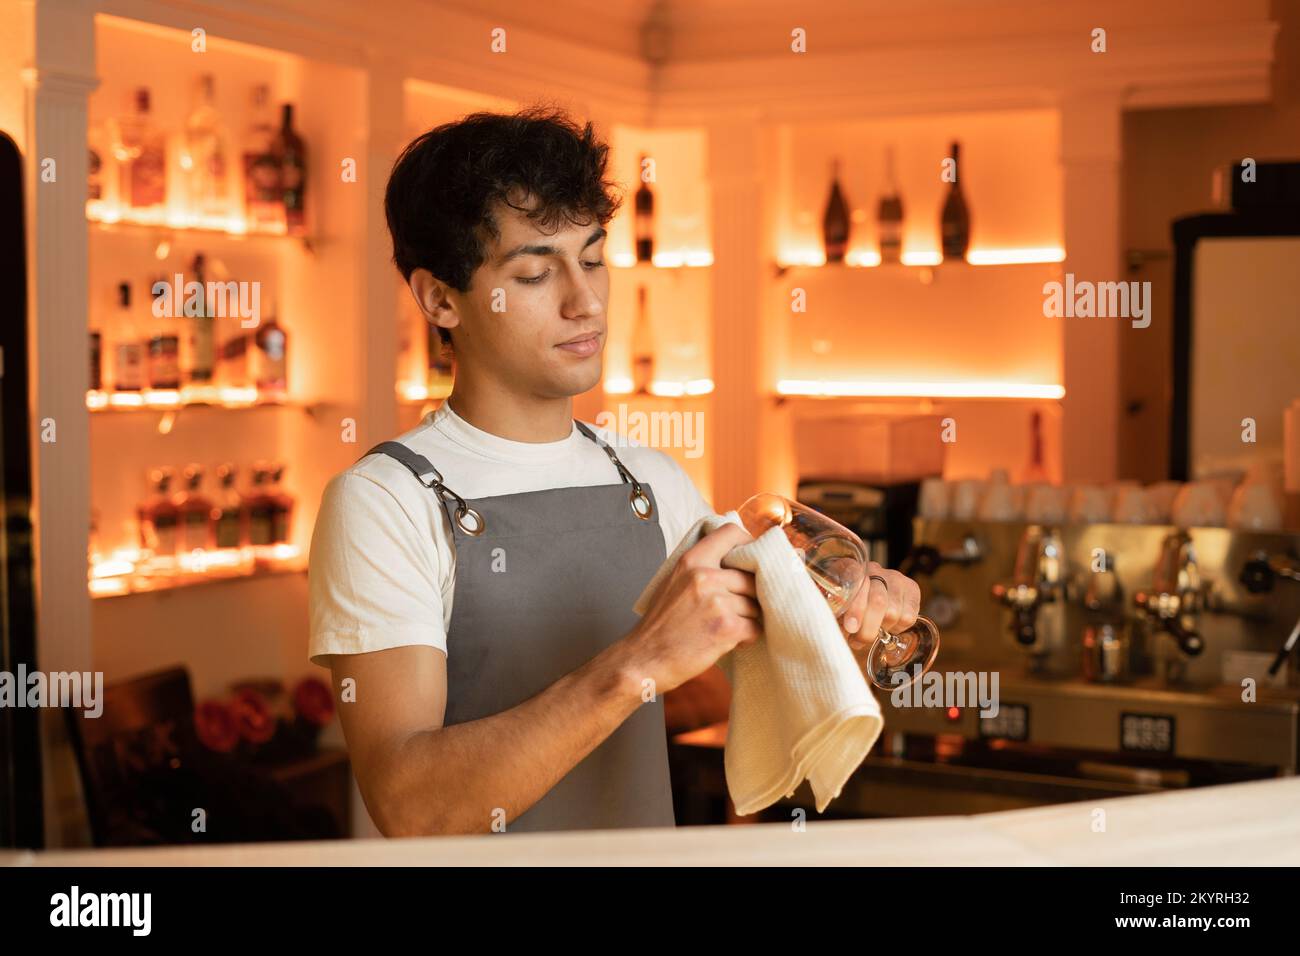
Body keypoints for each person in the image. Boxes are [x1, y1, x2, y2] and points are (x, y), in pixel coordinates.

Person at [307, 106, 920, 836]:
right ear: (441, 298)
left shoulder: (651, 481)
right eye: (536, 272)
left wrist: (849, 623)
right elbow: (412, 803)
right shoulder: (382, 501)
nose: (586, 300)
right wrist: (639, 664)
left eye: (593, 258)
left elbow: (770, 674)